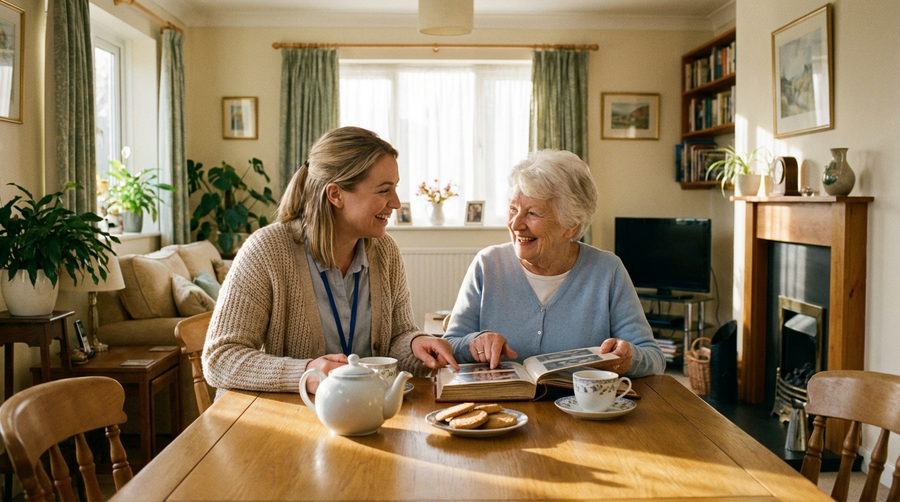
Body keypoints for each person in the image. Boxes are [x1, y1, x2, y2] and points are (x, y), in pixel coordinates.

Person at [203, 126, 459, 396]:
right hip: (286, 415)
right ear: (336, 194)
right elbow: (220, 359)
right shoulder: (267, 250)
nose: (395, 203)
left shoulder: (385, 252)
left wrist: (415, 343)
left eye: (395, 188)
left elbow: (398, 337)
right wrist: (307, 374)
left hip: (363, 409)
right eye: (384, 190)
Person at [442, 149, 665, 378]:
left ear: (570, 226)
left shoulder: (607, 271)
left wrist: (629, 357)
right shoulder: (488, 265)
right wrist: (474, 343)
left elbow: (654, 358)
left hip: (580, 400)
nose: (516, 224)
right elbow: (450, 345)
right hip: (504, 400)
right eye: (513, 209)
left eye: (532, 213)